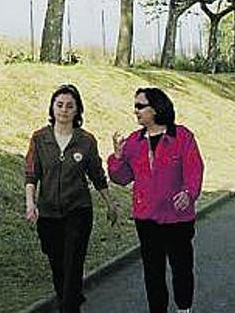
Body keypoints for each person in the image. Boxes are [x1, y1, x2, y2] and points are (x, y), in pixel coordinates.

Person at [108, 87, 204, 313]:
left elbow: (194, 170)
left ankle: (184, 308)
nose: (136, 111)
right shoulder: (133, 141)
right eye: (135, 106)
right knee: (153, 271)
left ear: (157, 108)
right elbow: (121, 178)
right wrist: (118, 157)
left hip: (177, 218)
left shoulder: (182, 136)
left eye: (140, 106)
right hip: (147, 218)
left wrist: (188, 193)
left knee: (181, 268)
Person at [25, 84, 118, 313]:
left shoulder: (86, 141)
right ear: (52, 108)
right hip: (48, 213)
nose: (64, 110)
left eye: (69, 106)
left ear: (77, 111)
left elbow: (97, 175)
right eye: (59, 105)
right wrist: (31, 203)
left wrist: (109, 203)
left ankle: (69, 308)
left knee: (73, 262)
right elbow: (31, 173)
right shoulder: (39, 138)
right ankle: (71, 301)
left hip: (78, 211)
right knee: (57, 264)